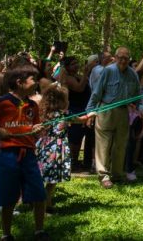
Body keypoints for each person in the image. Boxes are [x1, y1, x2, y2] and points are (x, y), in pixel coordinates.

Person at [0, 65, 49, 241]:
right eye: (33, 80)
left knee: (39, 193)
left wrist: (37, 130)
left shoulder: (32, 105)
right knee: (8, 195)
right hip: (9, 155)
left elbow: (35, 128)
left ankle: (39, 230)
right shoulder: (3, 102)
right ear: (19, 82)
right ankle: (6, 234)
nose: (36, 83)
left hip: (29, 155)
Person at [85, 46, 143, 189]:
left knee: (120, 145)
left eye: (126, 58)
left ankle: (117, 174)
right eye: (121, 58)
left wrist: (141, 107)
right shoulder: (108, 71)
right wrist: (90, 111)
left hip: (123, 112)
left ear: (129, 59)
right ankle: (104, 176)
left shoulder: (132, 75)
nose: (123, 60)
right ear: (116, 58)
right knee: (103, 145)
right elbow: (97, 91)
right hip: (106, 109)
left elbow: (139, 93)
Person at [36, 84, 88, 214]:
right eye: (66, 99)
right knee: (52, 179)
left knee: (41, 177)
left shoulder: (43, 113)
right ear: (61, 101)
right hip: (56, 150)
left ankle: (38, 201)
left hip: (42, 148)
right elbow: (81, 120)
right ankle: (46, 204)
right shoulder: (64, 114)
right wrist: (92, 114)